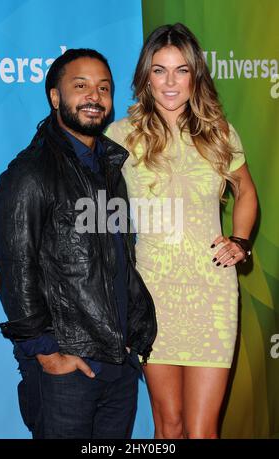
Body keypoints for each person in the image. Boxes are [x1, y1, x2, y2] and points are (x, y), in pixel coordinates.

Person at [0, 48, 157, 439]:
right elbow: (16, 269)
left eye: (103, 88)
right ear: (55, 97)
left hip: (117, 365)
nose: (94, 97)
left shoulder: (111, 168)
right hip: (67, 369)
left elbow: (117, 258)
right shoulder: (30, 172)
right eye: (80, 86)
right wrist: (46, 353)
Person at [106, 23, 258, 439]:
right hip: (152, 293)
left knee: (202, 429)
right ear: (145, 76)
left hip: (212, 291)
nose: (170, 82)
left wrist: (240, 241)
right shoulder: (121, 136)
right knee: (168, 428)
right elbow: (97, 210)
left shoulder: (219, 133)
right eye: (159, 70)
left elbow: (246, 191)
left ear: (196, 75)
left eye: (181, 70)